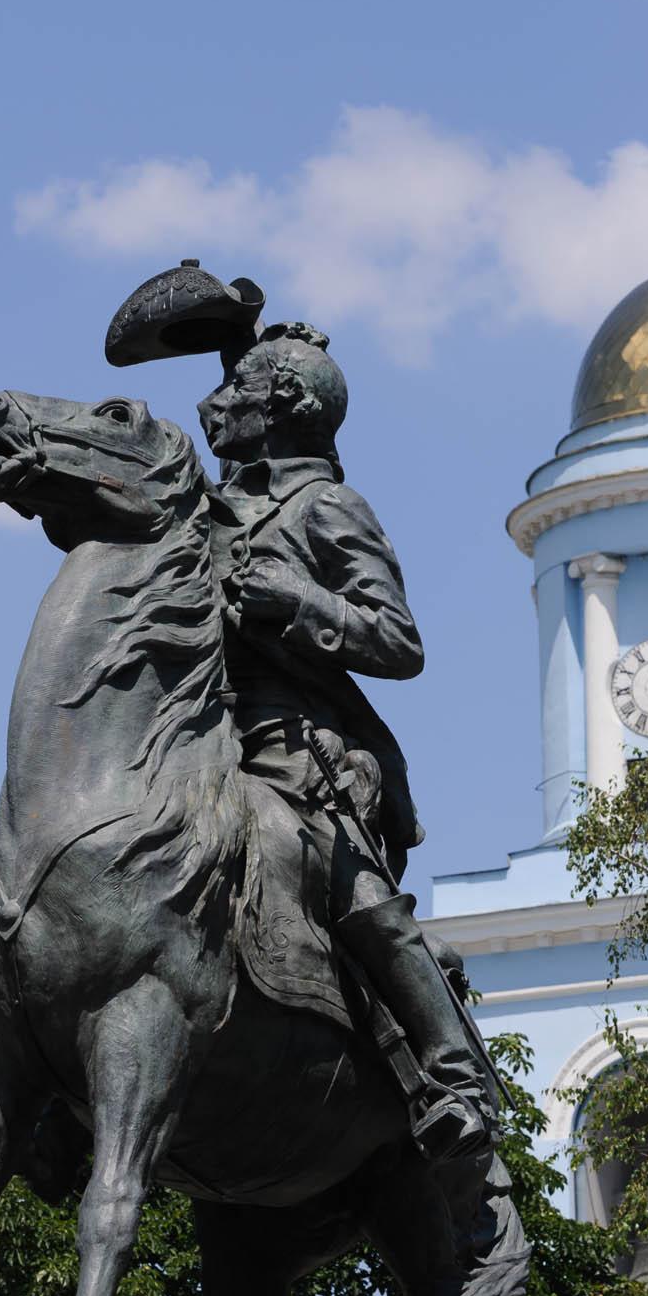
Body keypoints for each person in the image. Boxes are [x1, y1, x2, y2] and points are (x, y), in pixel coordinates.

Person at [198, 319, 493, 1163]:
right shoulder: (224, 503)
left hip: (294, 747)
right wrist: (244, 347)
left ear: (281, 405)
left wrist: (296, 596)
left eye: (234, 392)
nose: (211, 407)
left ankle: (454, 1082)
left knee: (363, 905)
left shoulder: (326, 506)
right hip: (197, 731)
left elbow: (398, 643)